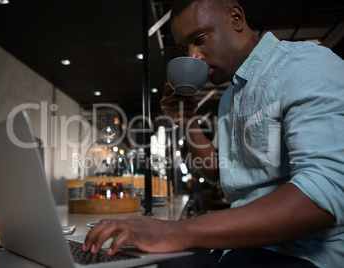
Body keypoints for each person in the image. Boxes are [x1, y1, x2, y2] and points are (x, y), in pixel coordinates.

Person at [83, 0, 344, 267]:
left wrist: (182, 230)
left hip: (301, 252)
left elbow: (324, 192)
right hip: (243, 244)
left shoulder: (305, 63)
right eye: (185, 49)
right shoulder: (231, 95)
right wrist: (186, 121)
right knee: (140, 261)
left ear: (236, 18)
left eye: (199, 39)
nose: (193, 56)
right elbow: (217, 171)